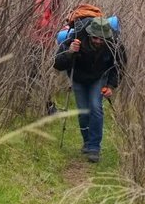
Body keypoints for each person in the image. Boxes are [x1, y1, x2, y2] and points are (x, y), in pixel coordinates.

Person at [53, 16, 126, 163]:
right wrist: (70, 52)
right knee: (83, 111)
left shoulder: (114, 43)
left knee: (95, 107)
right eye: (95, 38)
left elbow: (119, 66)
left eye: (101, 39)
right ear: (89, 33)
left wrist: (111, 85)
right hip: (79, 78)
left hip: (99, 78)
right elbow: (58, 64)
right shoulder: (75, 38)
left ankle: (94, 147)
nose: (98, 41)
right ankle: (87, 142)